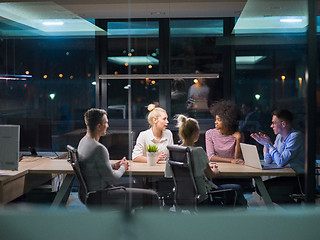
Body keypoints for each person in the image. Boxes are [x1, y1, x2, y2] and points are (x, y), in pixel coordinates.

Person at [77, 108, 160, 209]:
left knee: (141, 187)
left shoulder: (83, 142)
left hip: (91, 194)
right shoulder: (99, 148)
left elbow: (93, 164)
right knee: (152, 196)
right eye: (106, 123)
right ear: (99, 126)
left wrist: (113, 165)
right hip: (103, 196)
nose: (108, 126)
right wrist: (123, 167)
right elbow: (112, 179)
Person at [175, 114, 247, 207]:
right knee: (237, 188)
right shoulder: (198, 152)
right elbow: (210, 174)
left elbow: (169, 175)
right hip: (204, 196)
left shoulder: (174, 151)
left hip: (183, 196)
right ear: (195, 134)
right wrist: (215, 171)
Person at [250, 109, 305, 204]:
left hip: (299, 179)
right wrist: (266, 145)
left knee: (264, 189)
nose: (271, 126)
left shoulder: (296, 136)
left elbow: (280, 162)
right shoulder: (279, 137)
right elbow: (268, 161)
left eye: (274, 123)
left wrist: (269, 145)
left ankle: (295, 212)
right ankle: (294, 211)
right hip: (288, 177)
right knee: (260, 187)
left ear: (283, 124)